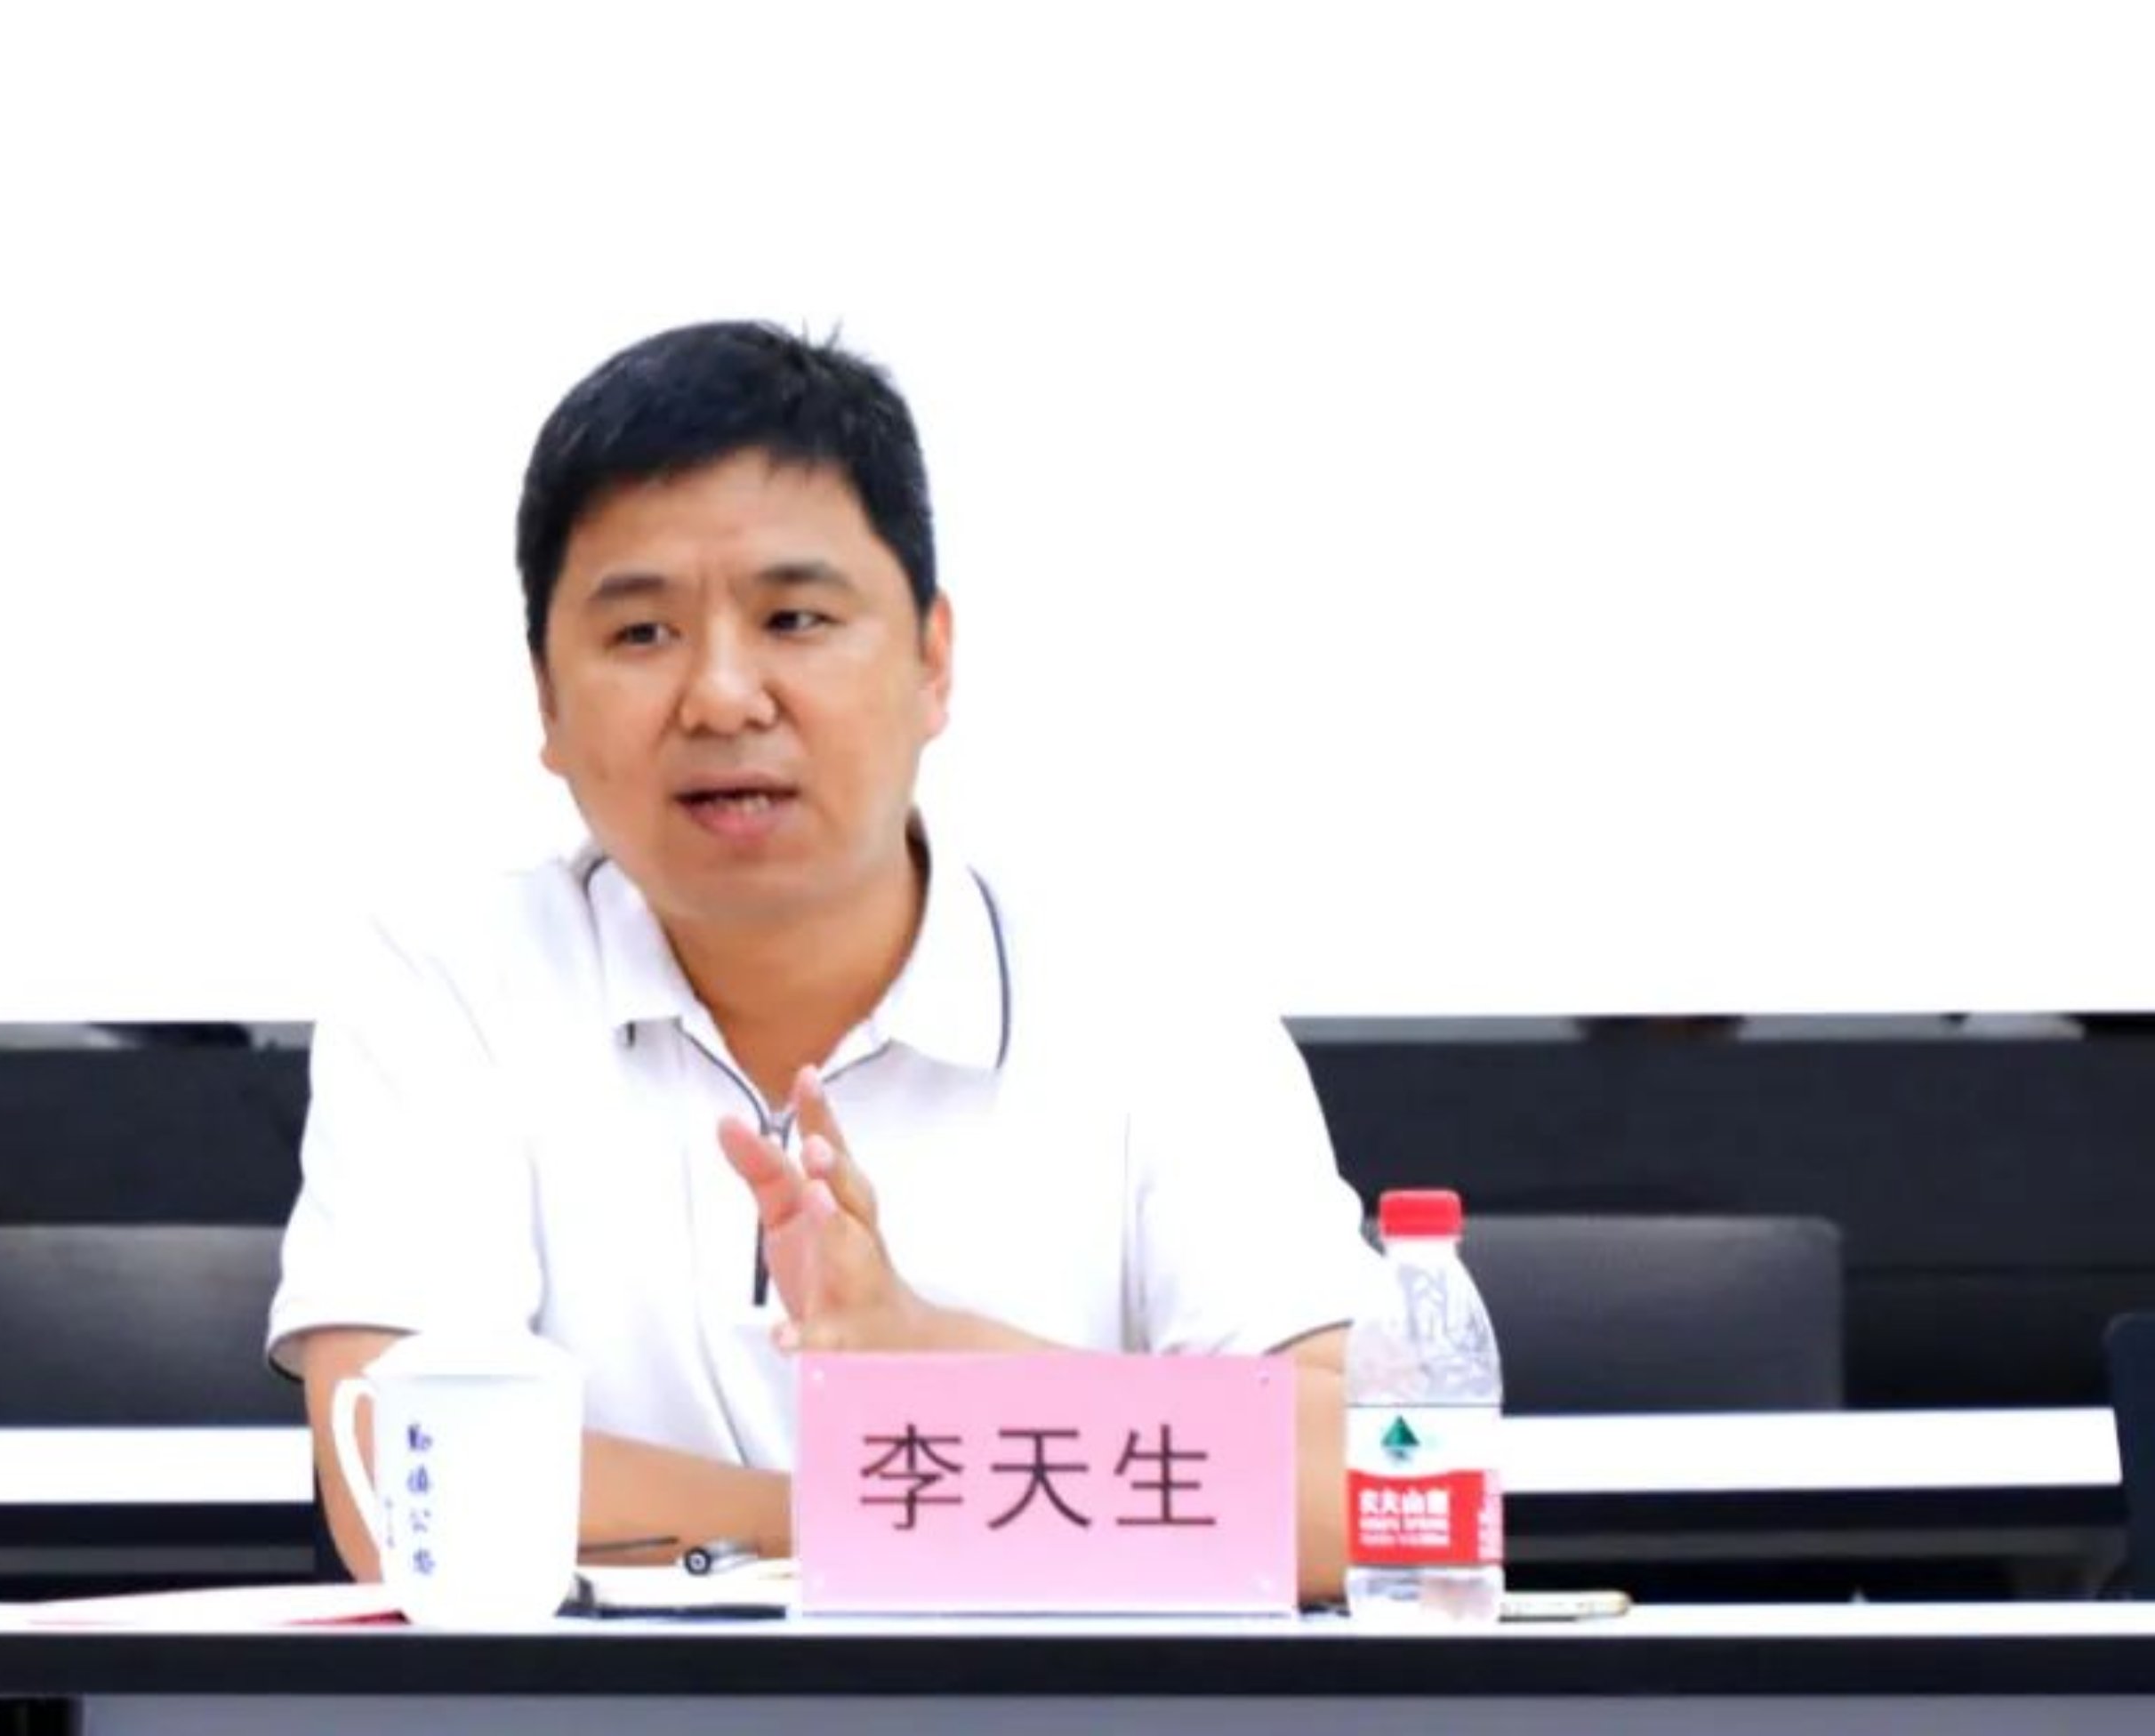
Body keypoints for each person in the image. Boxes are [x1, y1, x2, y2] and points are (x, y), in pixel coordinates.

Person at [267, 320, 1388, 1600]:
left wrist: (933, 1359)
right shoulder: (450, 983)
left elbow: (1368, 1493)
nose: (722, 696)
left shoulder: (1149, 998)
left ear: (932, 663)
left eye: (795, 618)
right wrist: (882, 1504)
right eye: (641, 634)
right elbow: (403, 1491)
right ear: (547, 704)